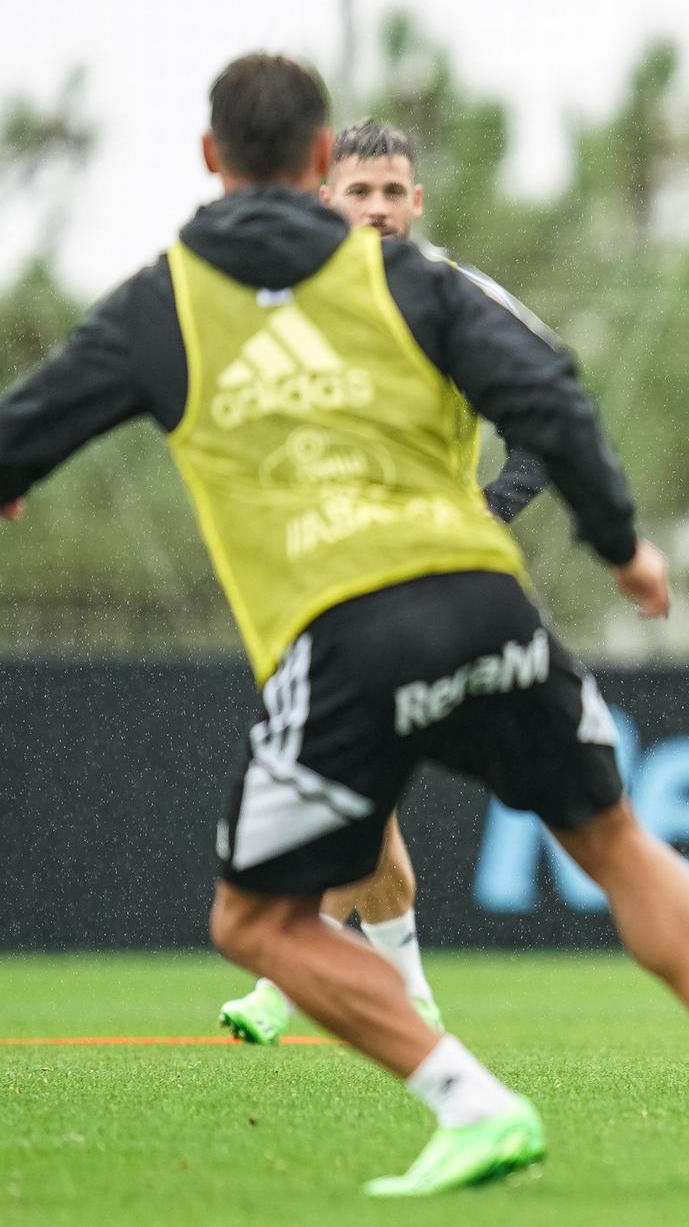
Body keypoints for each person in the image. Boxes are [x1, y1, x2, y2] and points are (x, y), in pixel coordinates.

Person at [0, 54, 689, 1192]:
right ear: (319, 163)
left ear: (212, 159)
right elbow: (550, 393)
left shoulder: (164, 303)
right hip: (485, 599)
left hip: (343, 630)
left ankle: (471, 1100)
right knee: (614, 841)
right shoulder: (410, 281)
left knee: (256, 923)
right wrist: (623, 546)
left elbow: (24, 431)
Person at [217, 118, 552, 1047]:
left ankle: (294, 976)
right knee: (357, 787)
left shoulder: (455, 299)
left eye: (391, 193)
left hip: (429, 581)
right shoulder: (285, 305)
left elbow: (549, 406)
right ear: (326, 199)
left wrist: (494, 508)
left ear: (416, 202)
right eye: (357, 192)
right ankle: (403, 989)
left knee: (348, 770)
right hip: (323, 576)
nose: (376, 210)